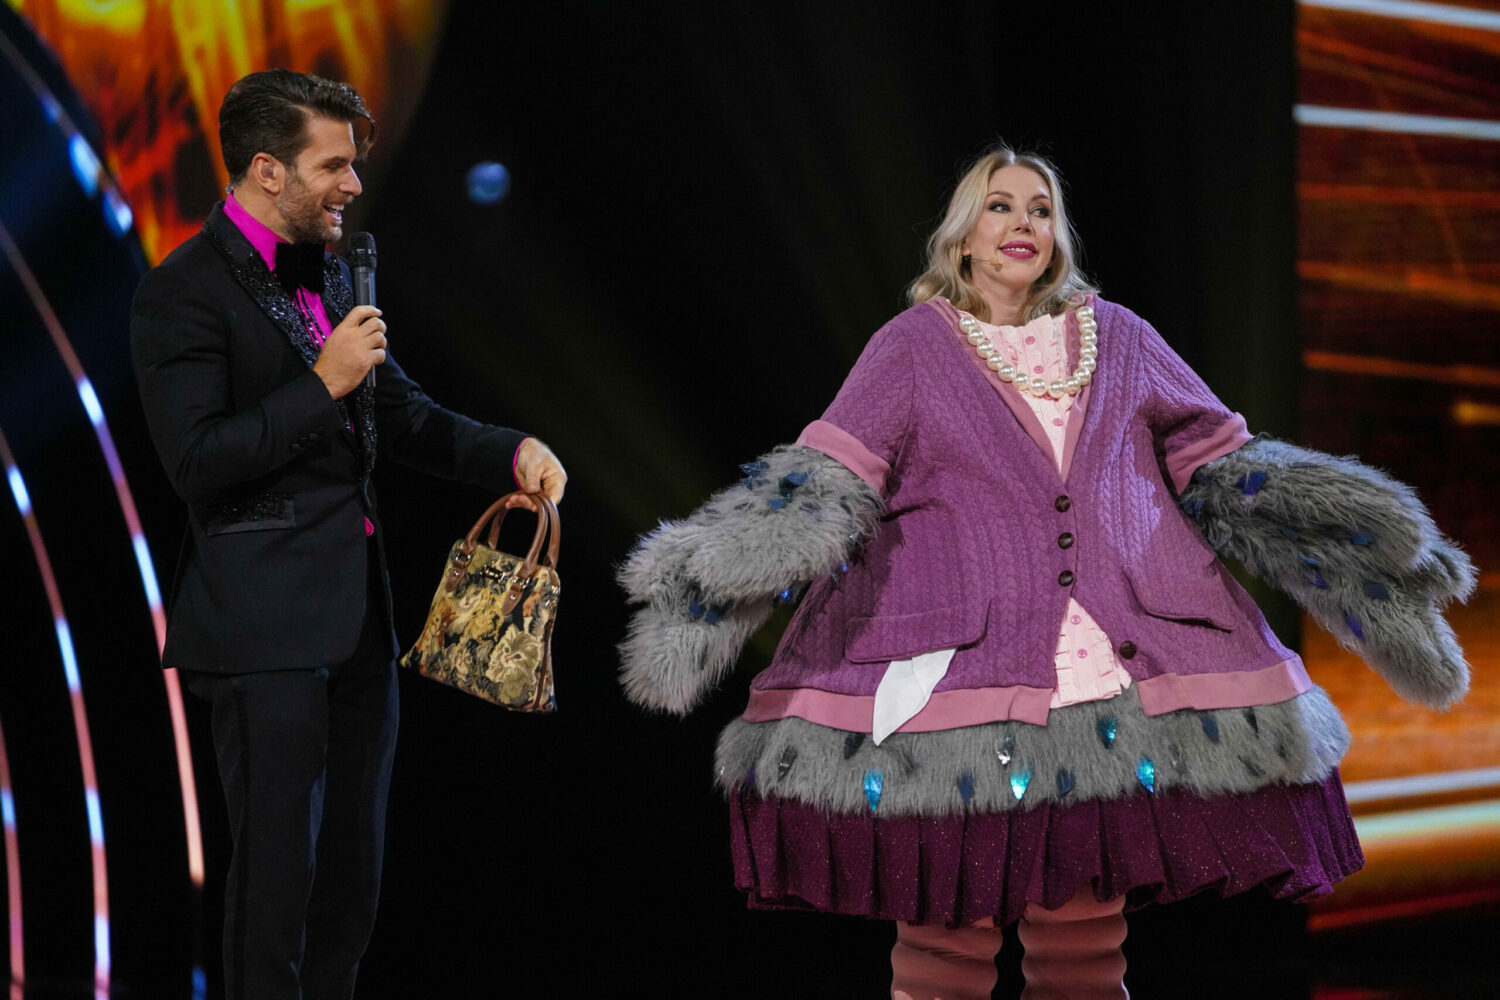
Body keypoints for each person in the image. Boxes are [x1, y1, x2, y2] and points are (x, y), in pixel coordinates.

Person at [618, 146, 1474, 999]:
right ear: (963, 237)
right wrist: (708, 580)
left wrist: (1355, 534)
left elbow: (1223, 468)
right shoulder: (912, 346)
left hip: (1106, 673)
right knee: (945, 939)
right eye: (1000, 206)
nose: (1022, 222)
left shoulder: (1122, 337)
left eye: (1040, 209)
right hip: (956, 675)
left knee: (1083, 943)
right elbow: (829, 482)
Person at [130, 69, 566, 1000]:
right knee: (275, 888)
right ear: (267, 170)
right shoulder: (182, 292)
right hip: (262, 632)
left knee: (350, 889)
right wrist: (320, 383)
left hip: (360, 626)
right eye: (333, 165)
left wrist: (511, 451)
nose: (354, 184)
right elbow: (197, 462)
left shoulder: (330, 276)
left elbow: (402, 416)